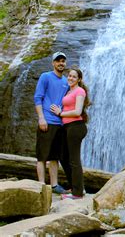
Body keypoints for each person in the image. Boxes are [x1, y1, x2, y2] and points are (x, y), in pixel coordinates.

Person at [34, 51, 70, 194]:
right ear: (53, 63)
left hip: (60, 123)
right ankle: (41, 185)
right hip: (47, 121)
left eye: (63, 61)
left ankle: (54, 185)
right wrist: (41, 117)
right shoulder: (46, 77)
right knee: (42, 156)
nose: (61, 63)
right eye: (58, 61)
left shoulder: (66, 81)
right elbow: (38, 98)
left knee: (55, 157)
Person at [51, 66, 90, 200]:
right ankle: (76, 187)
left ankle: (77, 193)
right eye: (69, 75)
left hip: (76, 127)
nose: (71, 78)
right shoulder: (68, 91)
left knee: (74, 160)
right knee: (63, 157)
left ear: (79, 79)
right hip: (67, 127)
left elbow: (78, 111)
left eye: (74, 76)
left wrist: (60, 113)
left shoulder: (80, 91)